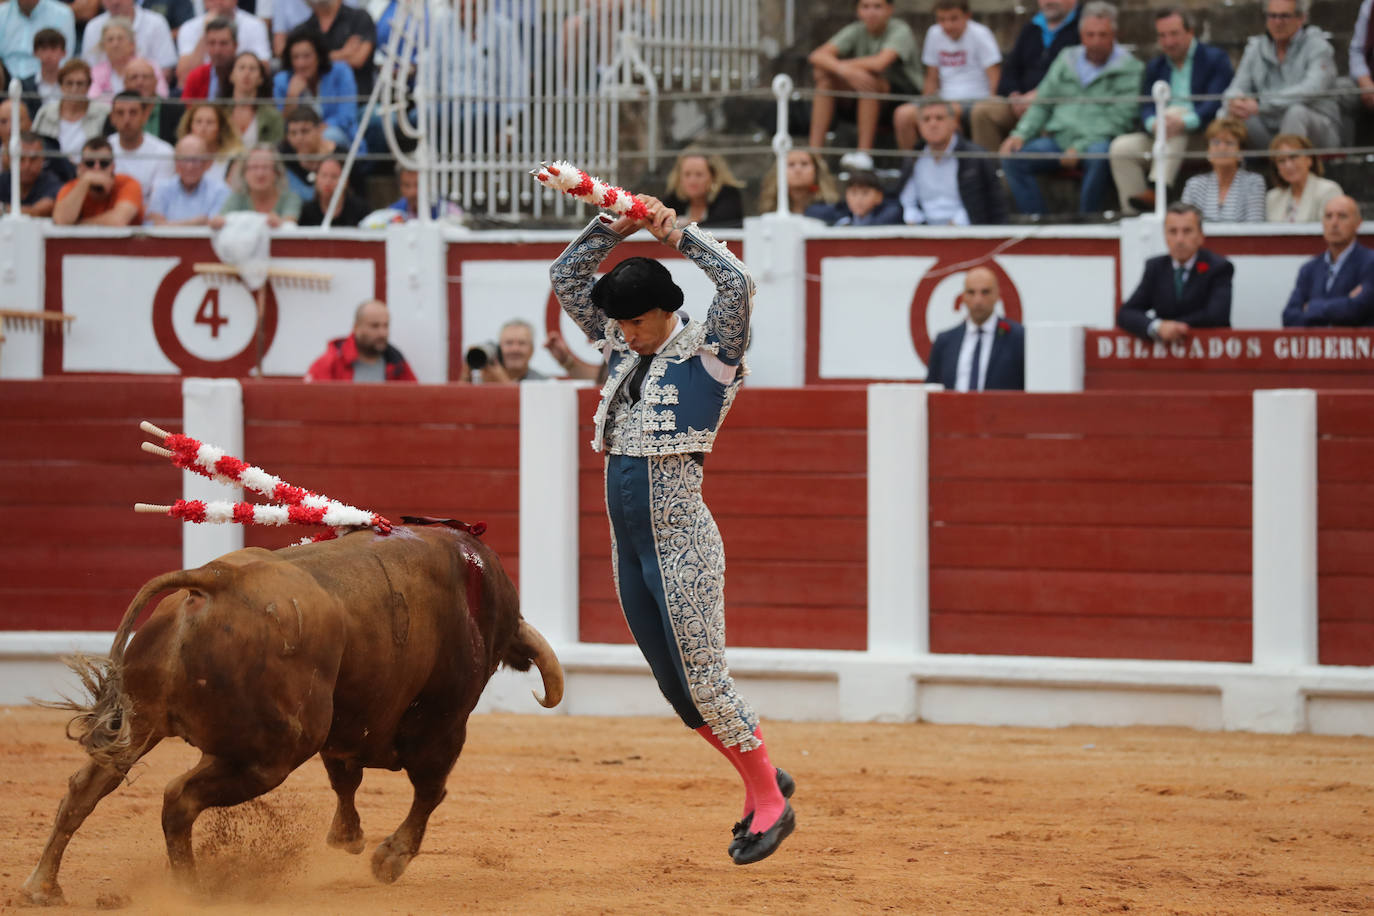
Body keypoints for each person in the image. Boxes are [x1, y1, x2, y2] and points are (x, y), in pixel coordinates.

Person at [549, 195, 797, 868]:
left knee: (708, 683)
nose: (622, 333)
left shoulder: (711, 353)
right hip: (630, 548)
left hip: (682, 542)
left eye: (634, 322)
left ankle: (771, 800)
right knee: (675, 687)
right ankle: (761, 781)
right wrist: (612, 227)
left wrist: (679, 234)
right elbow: (566, 279)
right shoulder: (622, 348)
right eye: (620, 324)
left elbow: (738, 283)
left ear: (664, 311)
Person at [999, 2, 1142, 216]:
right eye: (1090, 34)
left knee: (1099, 155)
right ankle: (1040, 221)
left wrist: (1080, 147)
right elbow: (1043, 102)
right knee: (1013, 158)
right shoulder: (1067, 58)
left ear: (1114, 34)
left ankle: (1086, 219)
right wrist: (1020, 134)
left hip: (1097, 141)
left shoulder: (1131, 68)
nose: (1095, 42)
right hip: (1058, 139)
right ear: (1081, 35)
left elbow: (1120, 120)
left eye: (1102, 35)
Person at [1107, 8, 1234, 215]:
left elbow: (1216, 102)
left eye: (1174, 34)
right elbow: (1146, 106)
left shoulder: (1215, 58)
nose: (1168, 42)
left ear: (1190, 32)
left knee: (1175, 115)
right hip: (1165, 137)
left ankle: (1158, 189)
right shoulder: (1156, 66)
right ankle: (1135, 214)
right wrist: (1153, 123)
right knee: (1120, 148)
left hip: (1204, 136)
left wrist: (1184, 122)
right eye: (1162, 35)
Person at [807, 0, 922, 172]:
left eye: (877, 6)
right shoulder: (856, 30)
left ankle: (864, 154)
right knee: (824, 80)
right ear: (858, 11)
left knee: (868, 80)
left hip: (900, 98)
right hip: (861, 101)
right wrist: (842, 69)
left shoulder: (900, 30)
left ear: (890, 9)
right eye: (865, 7)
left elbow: (879, 63)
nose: (871, 12)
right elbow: (817, 56)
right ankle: (814, 155)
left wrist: (843, 68)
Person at [1223, 0, 1340, 152]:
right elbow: (1236, 87)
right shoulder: (1256, 47)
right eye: (1272, 16)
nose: (1278, 22)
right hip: (1269, 128)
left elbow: (1310, 89)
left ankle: (1287, 169)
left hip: (1317, 130)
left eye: (1285, 16)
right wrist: (1235, 101)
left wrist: (1261, 105)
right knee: (1233, 112)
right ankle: (1225, 174)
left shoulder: (1319, 48)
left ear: (1301, 18)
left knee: (1295, 113)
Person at [969, 0, 1079, 153]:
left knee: (1049, 124)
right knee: (982, 111)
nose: (1049, 2)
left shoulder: (1086, 28)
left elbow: (1075, 78)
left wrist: (1038, 96)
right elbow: (1011, 68)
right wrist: (1014, 95)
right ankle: (991, 172)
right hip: (1018, 104)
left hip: (1055, 106)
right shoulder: (1031, 28)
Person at [1117, 202, 1233, 341]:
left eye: (1187, 231)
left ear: (1201, 236)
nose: (1179, 240)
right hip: (1166, 359)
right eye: (1173, 231)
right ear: (1165, 236)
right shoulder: (1155, 267)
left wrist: (1172, 327)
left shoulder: (1219, 267)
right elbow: (1126, 313)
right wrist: (1157, 326)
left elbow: (1217, 315)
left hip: (1210, 356)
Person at [893, 0, 1000, 148]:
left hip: (975, 99)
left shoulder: (981, 34)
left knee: (945, 114)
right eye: (942, 19)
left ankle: (957, 164)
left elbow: (994, 74)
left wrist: (990, 103)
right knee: (902, 115)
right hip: (943, 98)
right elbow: (931, 77)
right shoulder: (933, 33)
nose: (948, 25)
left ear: (967, 16)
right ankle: (912, 166)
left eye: (954, 19)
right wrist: (926, 103)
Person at [897, 99, 1006, 225]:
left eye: (939, 118)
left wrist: (957, 223)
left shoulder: (976, 157)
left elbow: (994, 203)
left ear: (953, 123)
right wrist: (912, 220)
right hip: (923, 235)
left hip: (968, 235)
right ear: (918, 125)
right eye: (926, 119)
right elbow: (907, 202)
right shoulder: (914, 159)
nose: (933, 124)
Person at [923, 266, 1025, 391]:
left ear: (997, 295)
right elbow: (932, 387)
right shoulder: (945, 341)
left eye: (985, 292)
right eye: (971, 292)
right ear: (963, 297)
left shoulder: (1018, 338)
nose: (978, 300)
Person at [1282, 196, 1374, 327]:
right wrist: (1345, 302)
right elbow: (1289, 318)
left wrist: (1310, 308)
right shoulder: (1309, 268)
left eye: (1342, 216)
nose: (1334, 223)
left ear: (1358, 223)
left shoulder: (1370, 263)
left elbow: (1357, 309)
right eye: (1328, 216)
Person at [273, 25, 359, 148]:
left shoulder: (341, 72)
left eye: (306, 56)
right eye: (295, 57)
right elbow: (282, 127)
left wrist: (317, 131)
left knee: (329, 135)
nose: (301, 63)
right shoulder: (282, 81)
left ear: (318, 56)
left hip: (338, 138)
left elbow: (347, 116)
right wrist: (291, 97)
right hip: (298, 141)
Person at [304, 299, 417, 381]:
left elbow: (416, 404)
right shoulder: (329, 364)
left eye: (386, 326)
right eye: (374, 326)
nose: (382, 333)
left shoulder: (397, 363)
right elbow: (307, 403)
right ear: (356, 328)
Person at [1180, 117, 1266, 222]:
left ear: (1241, 153)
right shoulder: (1194, 185)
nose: (1222, 148)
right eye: (1216, 142)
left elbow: (1255, 227)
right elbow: (1186, 225)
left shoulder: (1253, 182)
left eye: (1229, 143)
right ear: (1208, 151)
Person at [32, 59, 111, 163]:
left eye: (80, 84)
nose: (74, 89)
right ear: (61, 86)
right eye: (69, 83)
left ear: (88, 86)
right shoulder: (45, 114)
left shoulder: (104, 113)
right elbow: (33, 146)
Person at [52, 135, 143, 225]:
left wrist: (78, 224)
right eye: (90, 163)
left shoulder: (127, 184)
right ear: (80, 167)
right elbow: (61, 220)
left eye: (103, 163)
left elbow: (118, 221)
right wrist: (85, 181)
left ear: (112, 167)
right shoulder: (71, 187)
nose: (96, 168)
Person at [175, 0, 270, 86]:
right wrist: (205, 33)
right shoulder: (189, 27)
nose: (217, 1)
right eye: (212, 43)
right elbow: (184, 78)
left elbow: (264, 71)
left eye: (223, 43)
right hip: (202, 92)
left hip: (240, 89)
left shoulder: (255, 25)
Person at [107, 88, 173, 207]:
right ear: (112, 118)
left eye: (133, 112)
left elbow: (158, 204)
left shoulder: (164, 152)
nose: (126, 119)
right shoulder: (102, 150)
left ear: (145, 116)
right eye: (120, 113)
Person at [303, 0, 377, 103]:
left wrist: (318, 59)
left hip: (361, 103)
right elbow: (302, 64)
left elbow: (358, 60)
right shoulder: (304, 29)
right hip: (319, 104)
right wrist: (343, 53)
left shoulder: (359, 17)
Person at [146, 134, 229, 225]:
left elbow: (214, 226)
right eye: (184, 159)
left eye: (195, 160)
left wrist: (168, 224)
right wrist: (196, 222)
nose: (189, 166)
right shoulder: (162, 189)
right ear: (176, 162)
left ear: (207, 163)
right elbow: (154, 227)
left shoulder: (220, 191)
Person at [81, 0, 177, 79]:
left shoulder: (157, 23)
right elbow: (89, 70)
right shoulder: (92, 27)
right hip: (102, 98)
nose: (115, 2)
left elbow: (166, 70)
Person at [215, 143, 301, 226]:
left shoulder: (290, 198)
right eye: (254, 167)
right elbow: (219, 220)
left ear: (277, 172)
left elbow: (289, 222)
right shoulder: (237, 197)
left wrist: (280, 223)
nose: (260, 174)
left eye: (266, 167)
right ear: (244, 172)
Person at [1267, 133, 1343, 222]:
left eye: (1293, 157)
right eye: (1281, 160)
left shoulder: (1328, 190)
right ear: (1277, 168)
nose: (1288, 165)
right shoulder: (1272, 197)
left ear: (1309, 159)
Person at [660, 151, 745, 230]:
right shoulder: (673, 200)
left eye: (699, 174)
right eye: (687, 174)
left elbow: (721, 224)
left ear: (714, 176)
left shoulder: (729, 195)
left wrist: (687, 224)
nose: (692, 181)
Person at [88, 18, 168, 99]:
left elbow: (161, 96)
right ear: (104, 46)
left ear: (132, 44)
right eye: (110, 40)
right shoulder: (95, 72)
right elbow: (91, 99)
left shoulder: (150, 67)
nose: (115, 44)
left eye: (120, 39)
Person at [0, 0, 76, 84]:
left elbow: (64, 58)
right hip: (4, 83)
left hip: (44, 83)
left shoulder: (63, 14)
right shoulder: (1, 13)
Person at [222, 51, 286, 148]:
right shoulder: (220, 112)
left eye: (252, 69)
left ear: (260, 79)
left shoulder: (273, 116)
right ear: (231, 76)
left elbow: (276, 150)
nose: (247, 73)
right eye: (241, 68)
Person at [756, 149, 840, 220]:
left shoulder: (831, 210)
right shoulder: (770, 212)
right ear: (779, 172)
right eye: (791, 164)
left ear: (816, 171)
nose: (798, 170)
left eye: (804, 164)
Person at [460, 318, 550, 383]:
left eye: (522, 343)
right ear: (499, 349)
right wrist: (466, 375)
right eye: (509, 343)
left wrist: (502, 384)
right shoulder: (482, 379)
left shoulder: (544, 384)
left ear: (532, 350)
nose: (515, 349)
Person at [0, 131, 64, 217]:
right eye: (21, 159)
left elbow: (38, 211)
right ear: (9, 159)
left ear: (43, 158)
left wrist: (3, 209)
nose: (27, 165)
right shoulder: (2, 180)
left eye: (33, 159)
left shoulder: (52, 183)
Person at [176, 102, 242, 185]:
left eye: (210, 122)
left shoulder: (233, 158)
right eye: (198, 122)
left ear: (220, 128)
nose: (203, 128)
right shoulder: (179, 156)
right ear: (190, 126)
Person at [178, 16, 240, 101]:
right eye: (212, 43)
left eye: (224, 43)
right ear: (206, 45)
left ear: (235, 46)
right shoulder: (196, 76)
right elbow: (186, 110)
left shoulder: (246, 75)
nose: (217, 50)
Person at [297, 153, 368, 226]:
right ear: (316, 179)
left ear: (346, 181)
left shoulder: (360, 210)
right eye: (324, 175)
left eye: (334, 176)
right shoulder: (306, 212)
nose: (328, 182)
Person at [18, 28, 70, 117]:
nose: (48, 54)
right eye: (44, 49)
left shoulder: (72, 84)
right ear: (35, 52)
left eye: (53, 49)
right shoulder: (24, 85)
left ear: (64, 53)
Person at [829, 169, 901, 226]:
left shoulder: (890, 215)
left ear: (879, 196)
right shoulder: (840, 216)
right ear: (846, 195)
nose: (859, 199)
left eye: (865, 193)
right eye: (854, 193)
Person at [1351, 0, 1374, 110]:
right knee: (1341, 90)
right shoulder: (1369, 5)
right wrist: (1364, 80)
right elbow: (1357, 50)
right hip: (1370, 81)